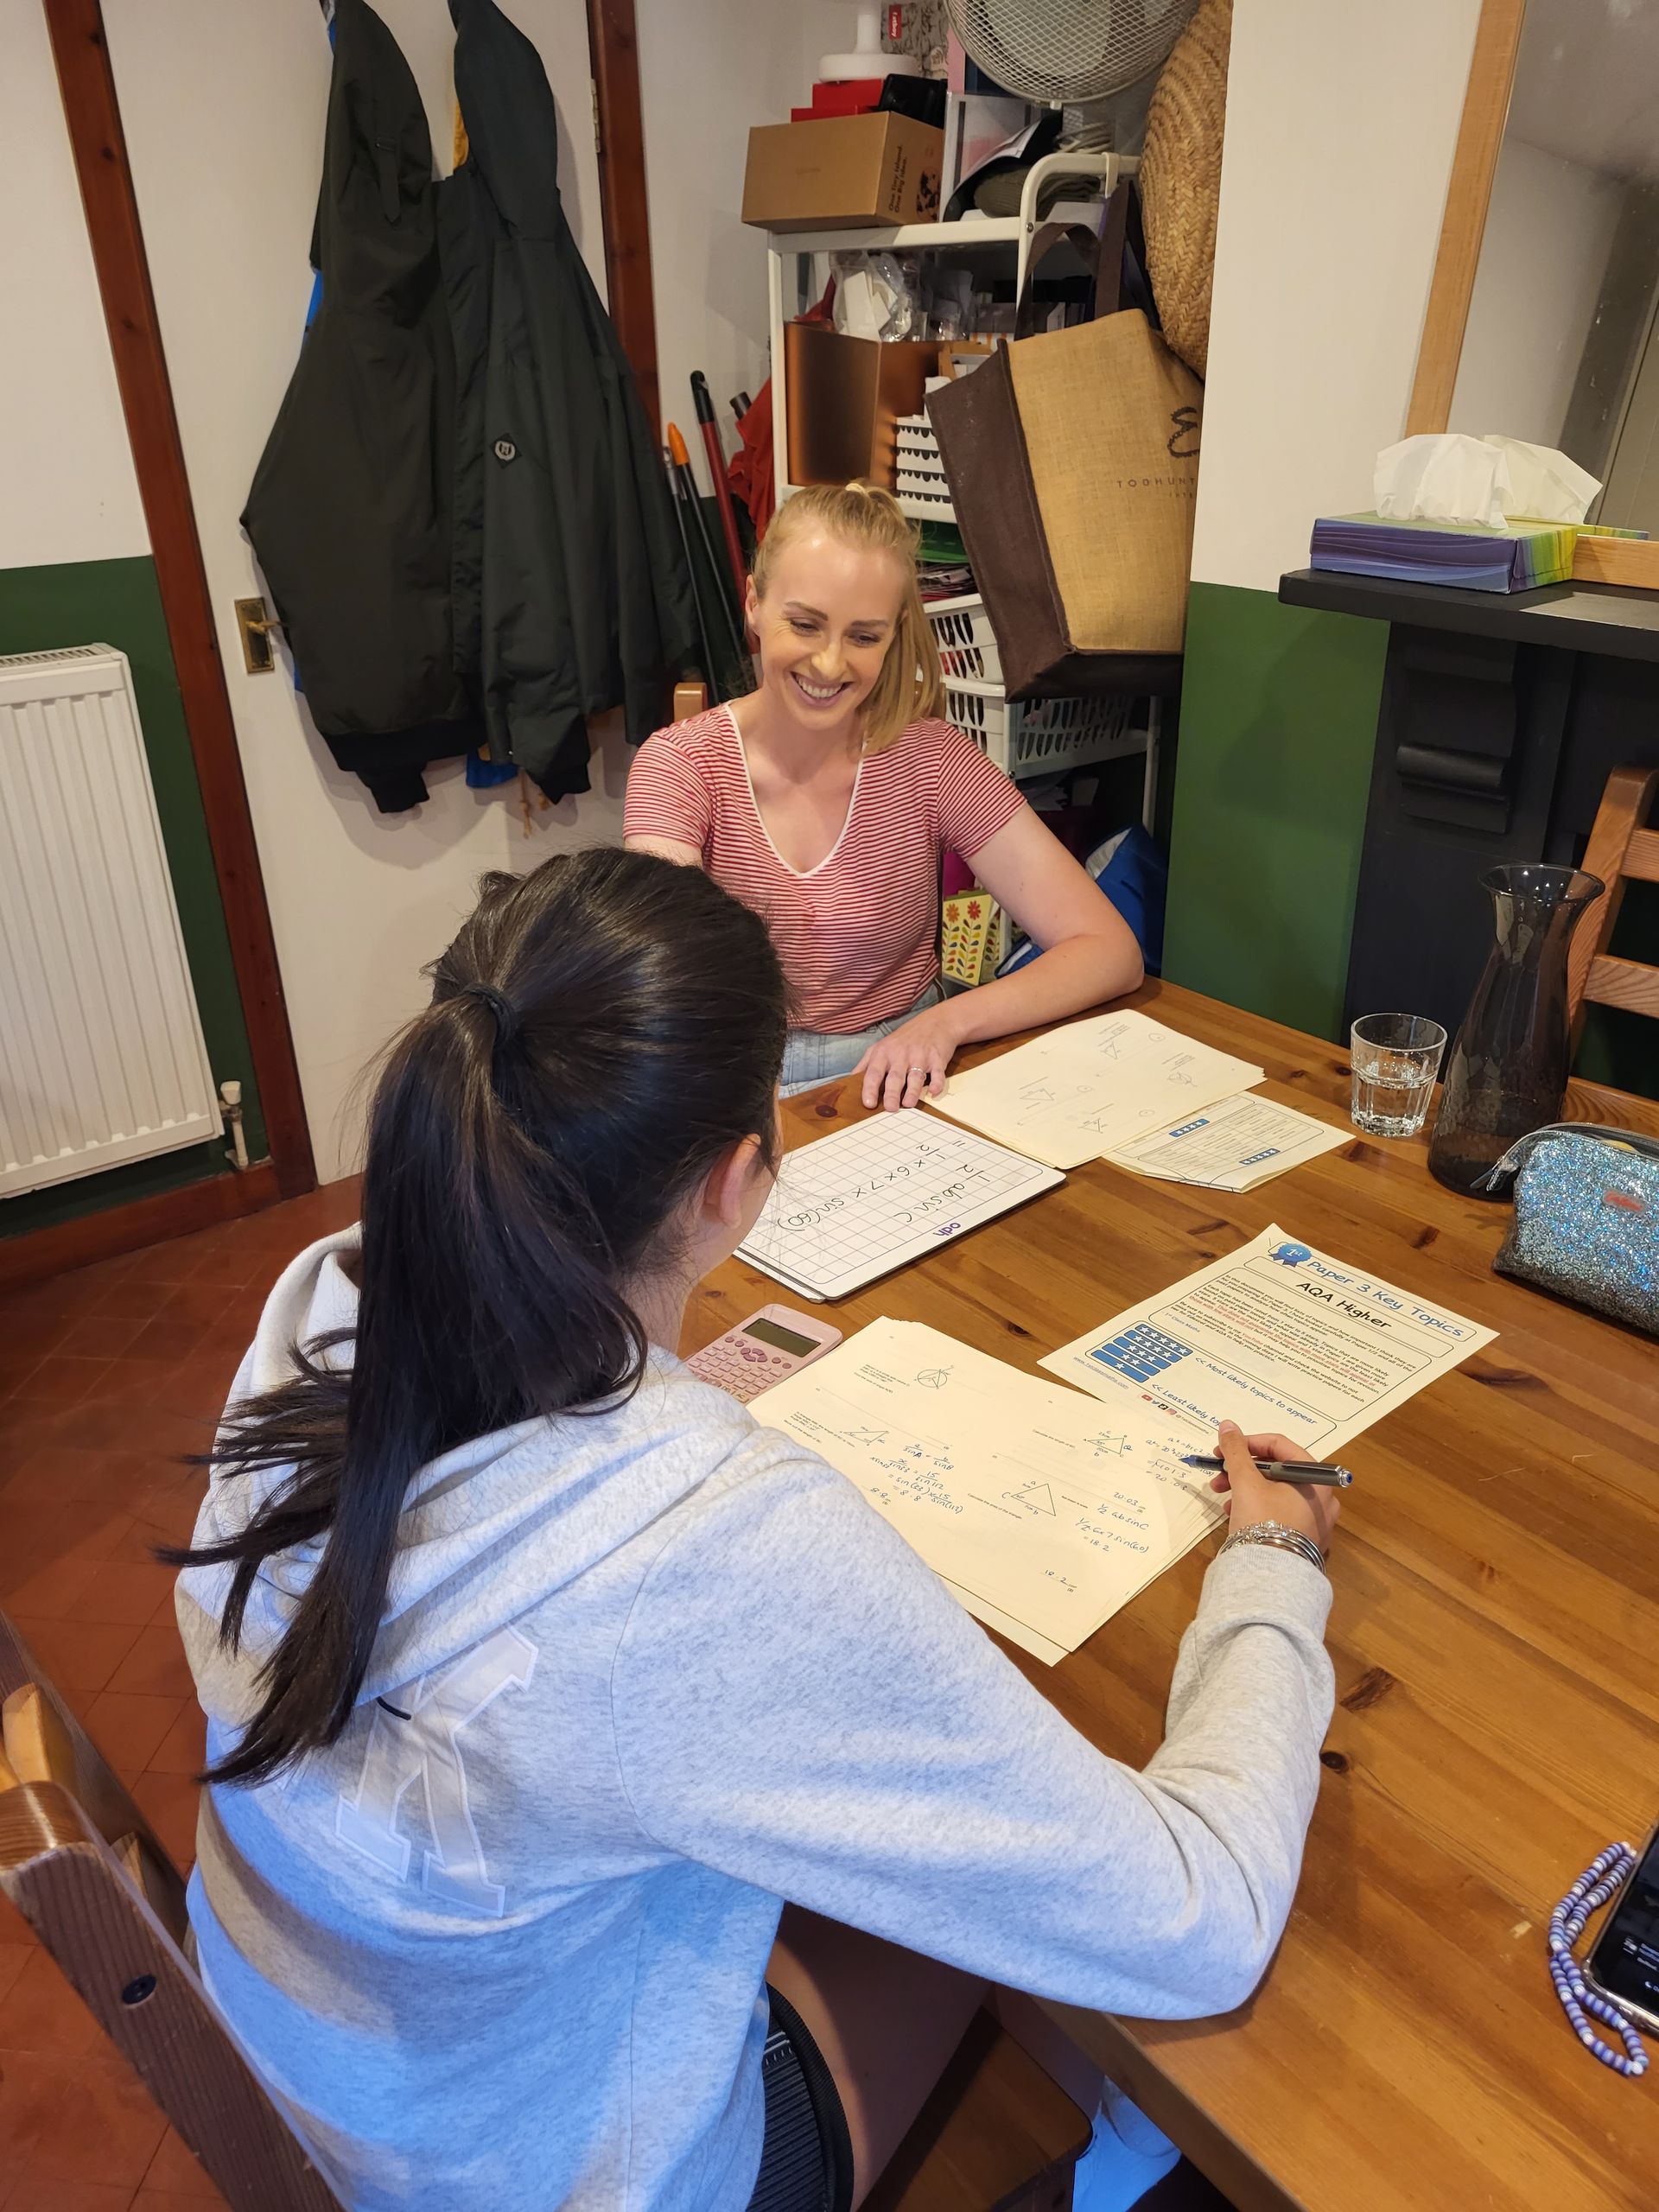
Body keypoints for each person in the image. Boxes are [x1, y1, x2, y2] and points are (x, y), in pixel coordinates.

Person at [170, 849, 1337, 2212]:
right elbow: (1196, 1920)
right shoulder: (706, 1553)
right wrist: (1276, 1563)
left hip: (330, 2079)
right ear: (737, 1179)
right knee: (1007, 1897)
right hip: (543, 2170)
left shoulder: (324, 1316)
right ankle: (1123, 2170)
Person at [624, 482, 1144, 1106]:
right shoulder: (681, 765)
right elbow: (660, 977)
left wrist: (946, 1023)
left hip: (906, 1070)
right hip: (737, 1073)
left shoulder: (933, 758)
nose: (829, 664)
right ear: (754, 604)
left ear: (895, 633)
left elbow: (1108, 951)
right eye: (805, 625)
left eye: (864, 637)